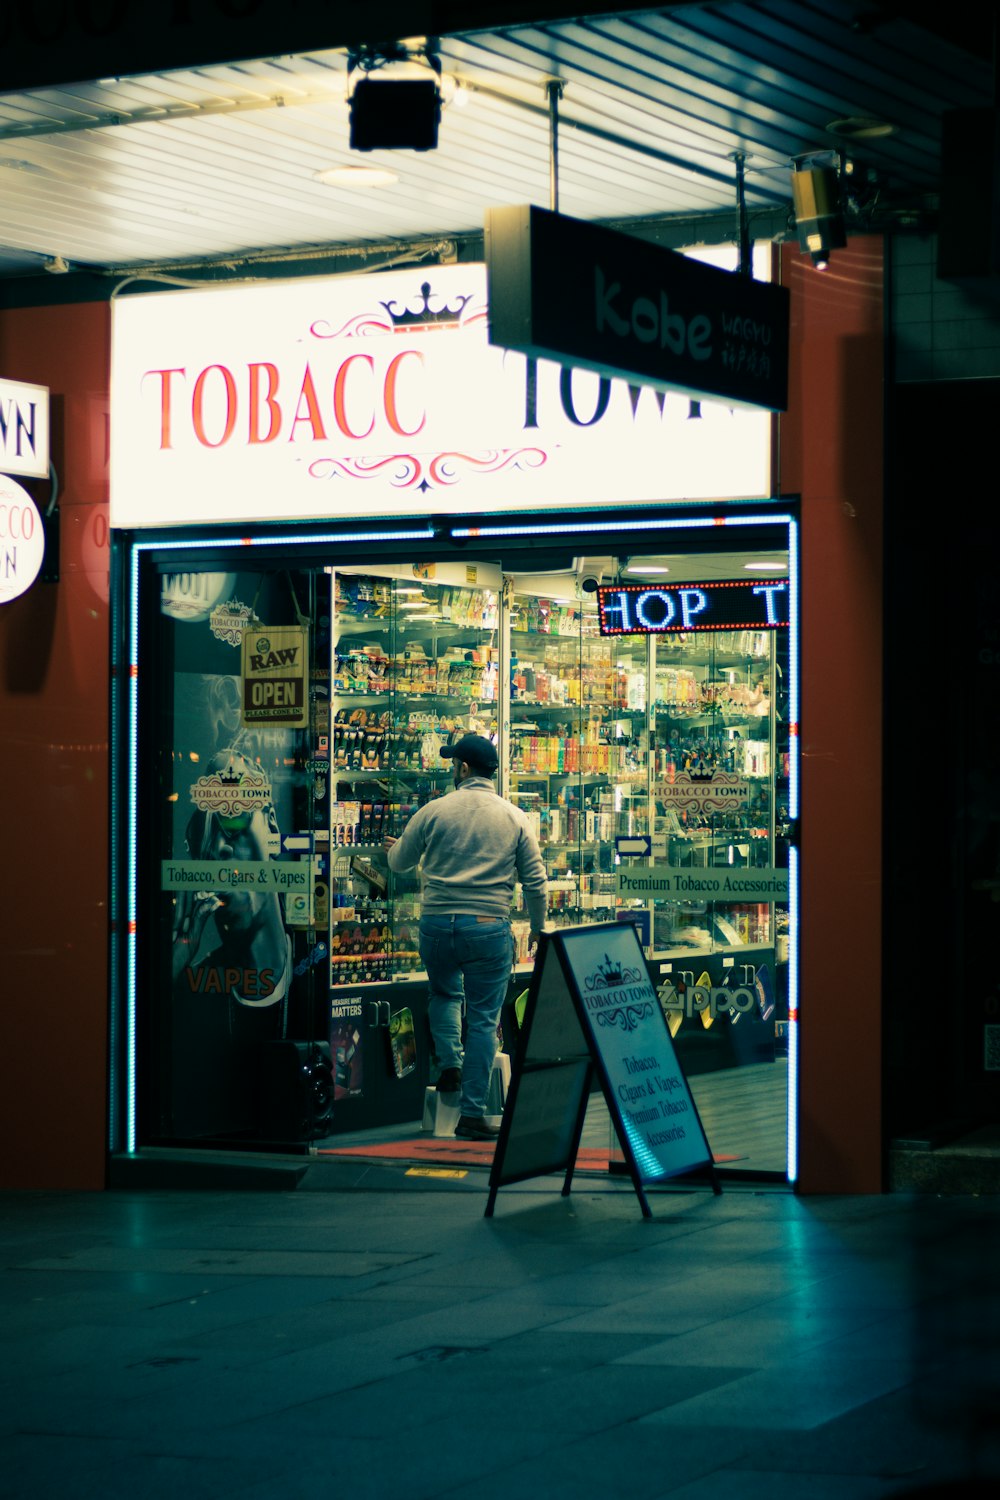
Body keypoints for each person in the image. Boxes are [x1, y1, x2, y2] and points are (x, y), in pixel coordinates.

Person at [382, 732, 547, 1140]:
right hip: (488, 928)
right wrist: (541, 930)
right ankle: (472, 1115)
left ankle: (449, 1066)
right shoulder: (514, 817)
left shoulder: (434, 810)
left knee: (443, 994)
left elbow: (401, 863)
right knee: (483, 1020)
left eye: (453, 763)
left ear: (463, 769)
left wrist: (393, 849)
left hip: (437, 925)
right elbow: (537, 885)